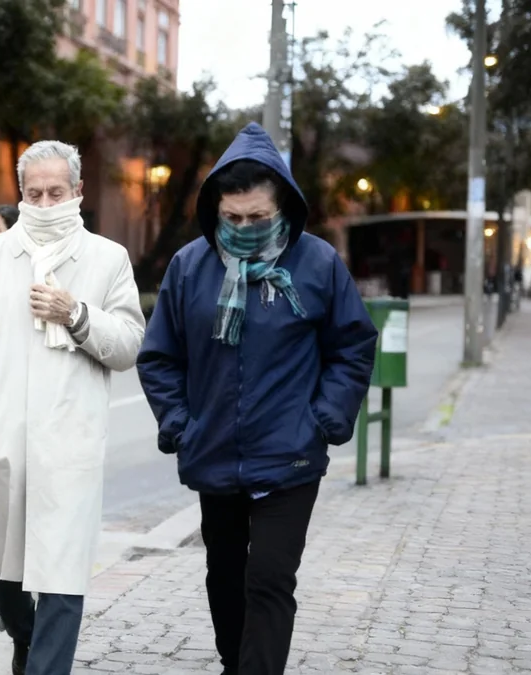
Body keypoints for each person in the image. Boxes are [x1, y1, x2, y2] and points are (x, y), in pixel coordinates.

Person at [136, 122, 377, 675]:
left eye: (258, 218)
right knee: (224, 575)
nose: (244, 228)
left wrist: (324, 418)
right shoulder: (188, 267)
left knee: (269, 577)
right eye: (233, 219)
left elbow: (352, 347)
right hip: (214, 448)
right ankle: (233, 662)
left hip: (290, 453)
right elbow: (160, 357)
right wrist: (180, 424)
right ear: (215, 210)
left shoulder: (316, 264)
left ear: (283, 207)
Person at [0, 140, 146, 675]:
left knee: (60, 576)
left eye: (56, 192)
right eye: (33, 193)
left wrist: (76, 314)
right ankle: (26, 636)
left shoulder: (108, 258)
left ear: (78, 192)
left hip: (68, 445)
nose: (44, 201)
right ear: (20, 194)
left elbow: (128, 344)